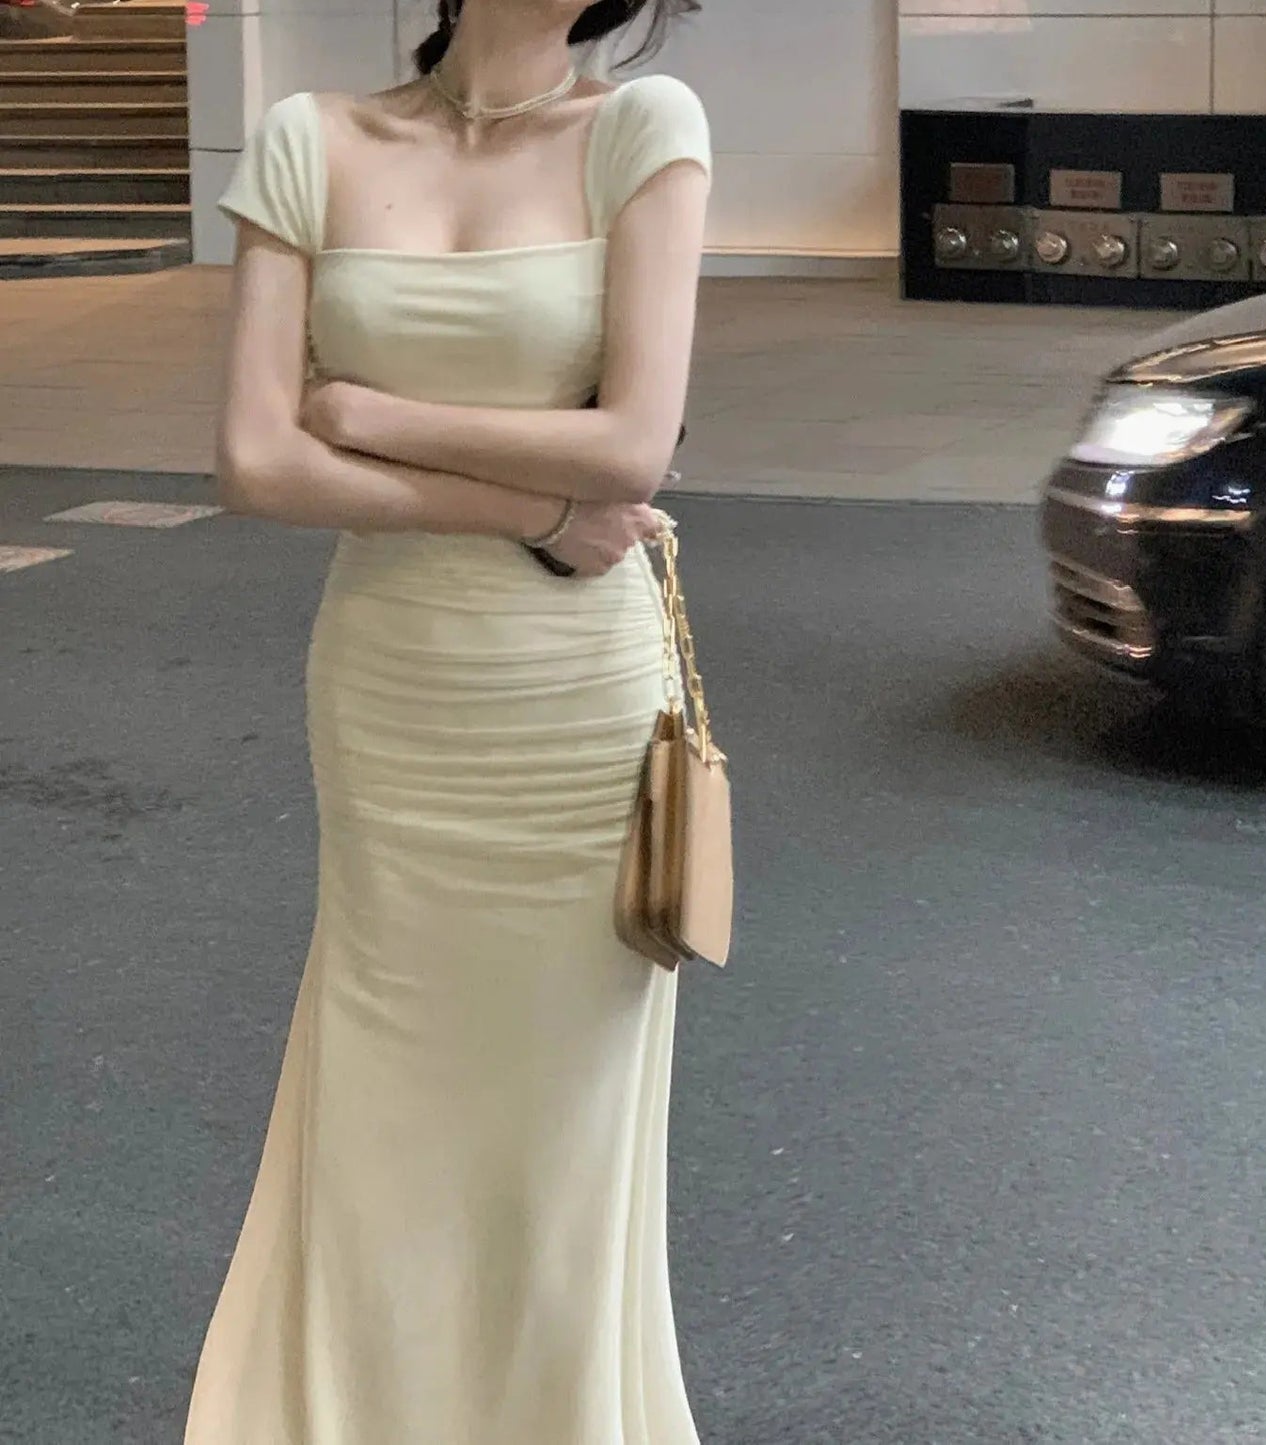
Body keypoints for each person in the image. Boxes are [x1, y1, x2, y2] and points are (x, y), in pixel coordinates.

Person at [184, 2, 711, 1440]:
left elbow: (633, 445)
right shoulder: (308, 140)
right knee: (385, 1097)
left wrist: (364, 411)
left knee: (560, 1128)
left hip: (579, 706)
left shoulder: (641, 129)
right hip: (396, 689)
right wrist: (533, 508)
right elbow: (254, 461)